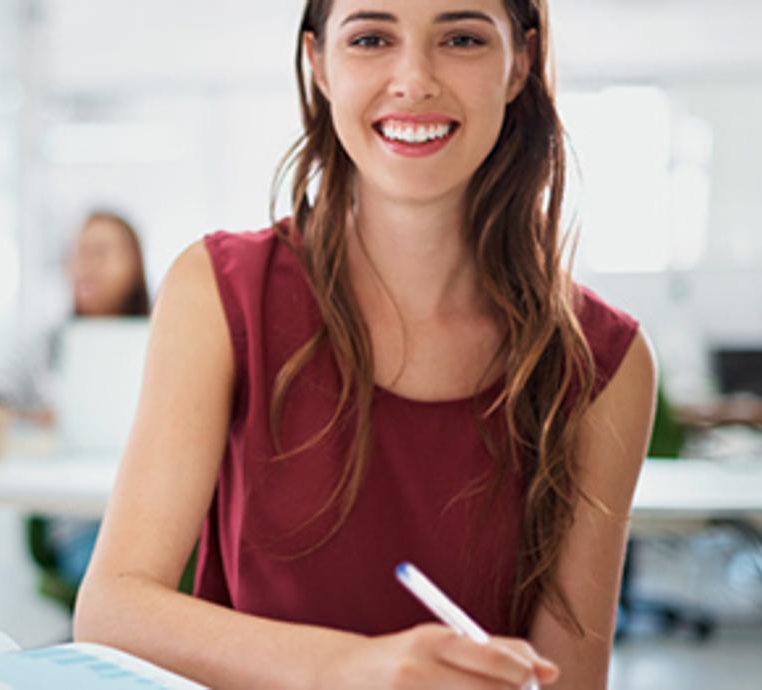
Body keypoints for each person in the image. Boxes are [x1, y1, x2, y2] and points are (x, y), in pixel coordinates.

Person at [74, 1, 655, 689]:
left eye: (463, 38)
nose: (414, 79)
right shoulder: (219, 292)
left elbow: (568, 681)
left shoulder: (604, 364)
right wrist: (349, 668)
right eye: (372, 38)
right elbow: (112, 609)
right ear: (318, 63)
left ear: (519, 63)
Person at [0, 211, 149, 591]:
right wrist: (35, 420)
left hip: (158, 520)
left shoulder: (165, 338)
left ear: (134, 264)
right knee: (125, 581)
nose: (84, 267)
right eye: (76, 254)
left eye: (100, 254)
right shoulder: (45, 346)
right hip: (81, 526)